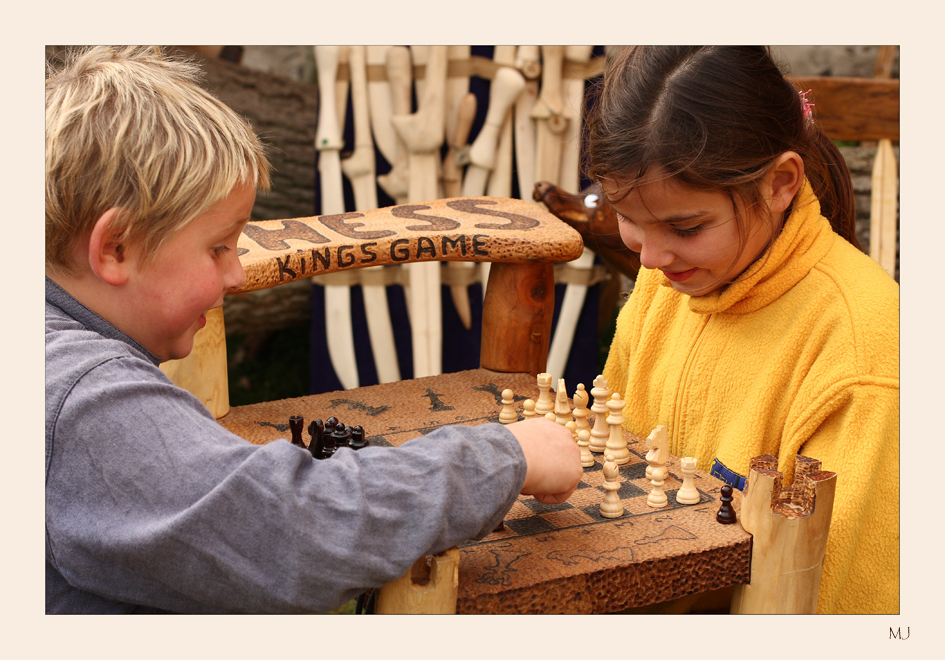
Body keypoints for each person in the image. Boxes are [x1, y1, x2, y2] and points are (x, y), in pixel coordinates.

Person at [45, 46, 582, 614]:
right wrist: (505, 457)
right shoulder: (86, 402)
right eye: (219, 247)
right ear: (115, 247)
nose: (235, 274)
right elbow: (290, 527)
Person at [585, 46, 899, 614]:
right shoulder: (675, 278)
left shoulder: (863, 351)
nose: (650, 258)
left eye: (685, 226)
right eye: (628, 218)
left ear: (780, 183)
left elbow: (841, 597)